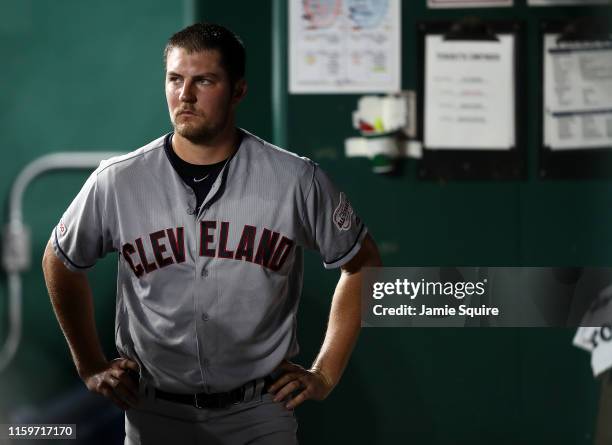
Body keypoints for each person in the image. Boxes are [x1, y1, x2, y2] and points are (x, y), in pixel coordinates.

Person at [42, 22, 381, 445]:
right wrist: (90, 365)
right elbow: (59, 259)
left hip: (259, 413)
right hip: (154, 412)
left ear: (237, 90)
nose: (185, 95)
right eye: (175, 79)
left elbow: (362, 262)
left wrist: (325, 372)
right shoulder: (118, 180)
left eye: (203, 80)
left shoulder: (296, 179)